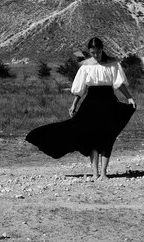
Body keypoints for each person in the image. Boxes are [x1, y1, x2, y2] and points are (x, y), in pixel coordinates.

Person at [26, 37, 136, 180]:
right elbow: (81, 87)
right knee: (91, 136)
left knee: (108, 136)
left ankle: (103, 173)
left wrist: (129, 98)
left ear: (102, 49)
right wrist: (74, 104)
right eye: (92, 52)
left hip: (108, 102)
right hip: (91, 102)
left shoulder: (112, 63)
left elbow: (119, 83)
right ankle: (95, 173)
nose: (95, 55)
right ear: (90, 51)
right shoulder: (86, 65)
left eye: (98, 52)